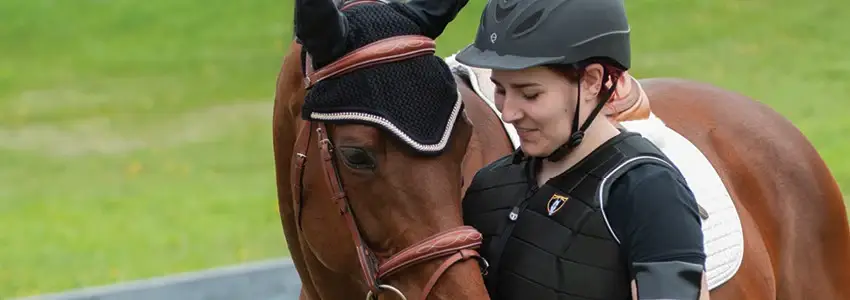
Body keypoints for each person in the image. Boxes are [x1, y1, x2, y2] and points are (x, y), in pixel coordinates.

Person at [454, 0, 710, 299]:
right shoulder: (489, 184)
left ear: (591, 81)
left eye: (530, 94)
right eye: (500, 90)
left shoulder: (650, 191)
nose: (508, 113)